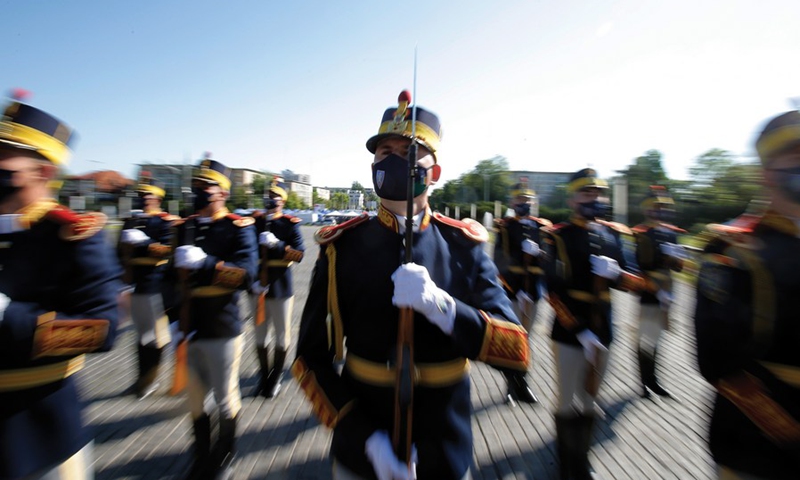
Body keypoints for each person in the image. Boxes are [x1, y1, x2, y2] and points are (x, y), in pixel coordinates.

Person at [291, 91, 529, 480]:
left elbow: (516, 349)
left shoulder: (463, 246)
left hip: (443, 450)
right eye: (384, 152)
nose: (392, 160)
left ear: (434, 173)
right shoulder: (341, 246)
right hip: (364, 452)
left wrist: (445, 308)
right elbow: (309, 360)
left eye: (408, 153)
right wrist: (366, 440)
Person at [0, 96, 120, 479]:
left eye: (6, 154)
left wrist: (9, 317)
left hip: (39, 434)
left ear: (43, 171)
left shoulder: (73, 235)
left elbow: (100, 331)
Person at [695, 110, 800, 479]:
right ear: (767, 174)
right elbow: (719, 362)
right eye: (796, 160)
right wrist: (792, 433)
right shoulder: (731, 250)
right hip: (757, 447)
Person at [540, 168, 646, 480]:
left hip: (604, 328)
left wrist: (618, 275)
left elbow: (637, 283)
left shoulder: (614, 234)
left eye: (598, 193)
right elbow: (552, 290)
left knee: (590, 400)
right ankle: (565, 460)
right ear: (573, 199)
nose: (594, 198)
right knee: (566, 399)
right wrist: (578, 329)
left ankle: (582, 460)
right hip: (570, 329)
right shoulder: (558, 236)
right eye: (587, 193)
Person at [172, 157, 258, 480]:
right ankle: (200, 455)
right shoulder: (184, 227)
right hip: (189, 323)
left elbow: (247, 275)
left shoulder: (238, 228)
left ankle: (223, 457)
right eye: (196, 186)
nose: (198, 192)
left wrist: (208, 263)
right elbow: (171, 278)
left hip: (223, 323)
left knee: (224, 396)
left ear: (222, 192)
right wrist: (171, 319)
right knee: (194, 399)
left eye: (205, 187)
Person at [118, 173, 178, 399]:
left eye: (148, 195)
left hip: (155, 285)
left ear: (158, 198)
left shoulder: (165, 222)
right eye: (141, 194)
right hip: (133, 283)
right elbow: (119, 253)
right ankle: (141, 378)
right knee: (141, 336)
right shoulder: (130, 220)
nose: (144, 198)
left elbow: (168, 250)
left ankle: (149, 380)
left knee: (154, 338)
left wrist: (144, 243)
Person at [493, 183, 551, 404]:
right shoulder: (504, 227)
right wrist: (516, 290)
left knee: (528, 339)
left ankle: (523, 384)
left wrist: (540, 253)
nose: (523, 204)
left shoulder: (543, 228)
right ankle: (511, 386)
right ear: (512, 203)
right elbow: (499, 261)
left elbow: (550, 262)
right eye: (519, 201)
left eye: (527, 201)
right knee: (513, 340)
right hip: (514, 291)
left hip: (534, 291)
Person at [249, 176, 305, 398]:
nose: (271, 200)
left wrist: (278, 245)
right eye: (269, 196)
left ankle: (275, 379)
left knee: (282, 336)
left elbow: (299, 254)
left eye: (275, 197)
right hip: (258, 285)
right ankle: (263, 376)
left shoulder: (288, 224)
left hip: (280, 285)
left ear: (283, 201)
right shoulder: (255, 222)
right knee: (260, 336)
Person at [631, 185, 687, 399]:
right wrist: (657, 291)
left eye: (664, 206)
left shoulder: (671, 233)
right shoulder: (644, 234)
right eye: (656, 206)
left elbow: (678, 267)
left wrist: (676, 258)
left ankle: (653, 379)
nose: (660, 210)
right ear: (648, 209)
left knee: (657, 339)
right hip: (649, 292)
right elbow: (641, 267)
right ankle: (644, 382)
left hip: (667, 291)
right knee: (645, 338)